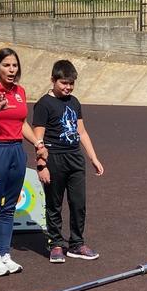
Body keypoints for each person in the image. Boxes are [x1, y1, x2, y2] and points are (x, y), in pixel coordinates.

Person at [0, 48, 48, 277]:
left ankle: (4, 253)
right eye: (7, 65)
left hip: (16, 150)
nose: (12, 70)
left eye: (15, 65)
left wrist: (37, 142)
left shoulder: (19, 91)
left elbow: (22, 122)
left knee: (9, 206)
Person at [31, 59, 105, 262]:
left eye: (71, 83)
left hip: (75, 158)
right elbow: (38, 137)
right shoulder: (44, 104)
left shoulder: (74, 102)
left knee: (78, 203)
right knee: (54, 203)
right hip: (54, 158)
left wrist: (93, 157)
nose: (68, 87)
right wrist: (41, 165)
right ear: (53, 80)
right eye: (64, 83)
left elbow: (81, 131)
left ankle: (77, 244)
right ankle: (55, 243)